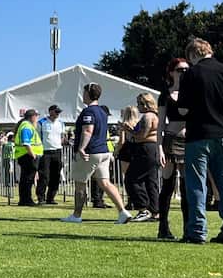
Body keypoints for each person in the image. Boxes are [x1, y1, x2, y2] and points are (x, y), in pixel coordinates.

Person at [174, 37, 223, 244]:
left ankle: (197, 231)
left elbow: (183, 109)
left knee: (197, 184)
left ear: (193, 55)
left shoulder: (191, 75)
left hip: (198, 135)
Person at [62, 83, 132, 224]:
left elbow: (88, 130)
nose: (82, 94)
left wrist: (82, 148)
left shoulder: (88, 112)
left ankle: (76, 215)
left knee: (80, 183)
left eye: (84, 92)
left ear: (88, 93)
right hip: (104, 151)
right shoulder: (102, 111)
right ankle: (123, 212)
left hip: (90, 152)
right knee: (105, 182)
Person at [156, 58, 190, 240]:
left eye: (186, 69)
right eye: (179, 70)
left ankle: (188, 228)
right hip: (170, 140)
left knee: (186, 187)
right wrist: (159, 148)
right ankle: (163, 227)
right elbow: (160, 124)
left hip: (189, 141)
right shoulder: (165, 95)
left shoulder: (193, 93)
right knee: (168, 185)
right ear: (171, 72)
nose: (183, 72)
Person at [124, 93, 161, 221]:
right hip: (154, 149)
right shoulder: (156, 116)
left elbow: (142, 135)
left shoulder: (147, 116)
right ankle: (155, 211)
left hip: (145, 149)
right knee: (151, 182)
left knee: (131, 178)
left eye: (138, 103)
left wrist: (128, 130)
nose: (137, 106)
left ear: (145, 104)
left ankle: (142, 208)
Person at [12, 108, 42, 207]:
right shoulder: (27, 126)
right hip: (28, 156)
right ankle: (26, 200)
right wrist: (33, 155)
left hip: (26, 155)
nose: (37, 118)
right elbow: (26, 142)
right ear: (32, 117)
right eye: (37, 116)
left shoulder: (25, 125)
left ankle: (25, 199)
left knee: (26, 179)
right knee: (28, 179)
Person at [36, 105, 65, 204]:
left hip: (57, 151)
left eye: (58, 112)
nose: (57, 114)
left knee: (56, 175)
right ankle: (40, 197)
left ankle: (51, 197)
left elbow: (62, 136)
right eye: (56, 112)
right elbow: (38, 137)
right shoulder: (41, 122)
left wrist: (59, 144)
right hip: (45, 152)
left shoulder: (61, 123)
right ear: (50, 112)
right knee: (44, 176)